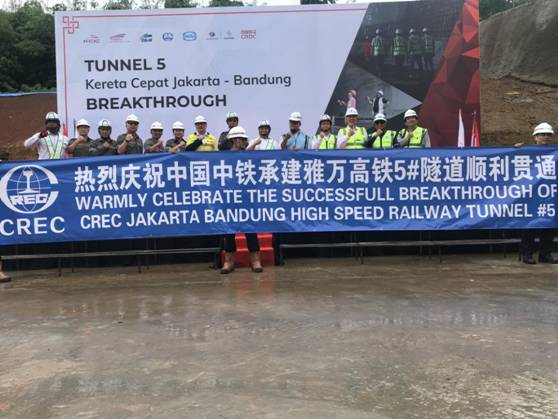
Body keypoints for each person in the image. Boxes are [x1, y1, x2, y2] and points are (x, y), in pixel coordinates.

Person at [220, 126, 263, 274]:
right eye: (242, 139)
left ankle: (255, 260)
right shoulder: (223, 158)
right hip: (230, 199)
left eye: (244, 139)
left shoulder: (249, 156)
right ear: (235, 140)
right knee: (229, 232)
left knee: (251, 230)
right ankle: (229, 261)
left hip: (246, 199)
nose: (244, 142)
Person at [518, 123, 557, 264]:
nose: (546, 137)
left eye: (548, 135)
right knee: (530, 226)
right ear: (535, 137)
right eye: (542, 134)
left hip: (550, 196)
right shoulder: (526, 152)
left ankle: (545, 254)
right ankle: (526, 254)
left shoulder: (555, 152)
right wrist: (515, 150)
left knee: (550, 226)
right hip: (531, 196)